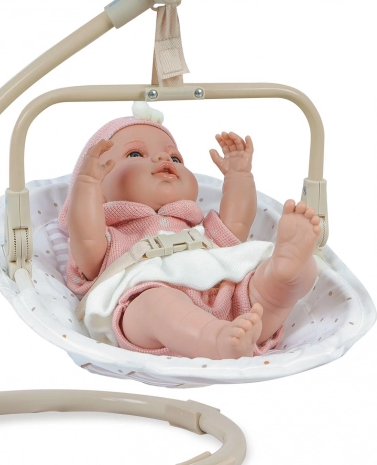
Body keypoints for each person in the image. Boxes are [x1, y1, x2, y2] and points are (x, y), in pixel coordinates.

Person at [58, 105, 320, 359]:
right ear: (100, 190)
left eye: (175, 158)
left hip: (226, 300)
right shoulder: (111, 237)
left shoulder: (198, 230)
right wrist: (86, 185)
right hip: (146, 313)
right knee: (157, 305)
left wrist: (239, 175)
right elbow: (84, 235)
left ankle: (284, 277)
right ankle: (215, 340)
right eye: (135, 154)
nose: (163, 159)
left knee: (259, 289)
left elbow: (237, 225)